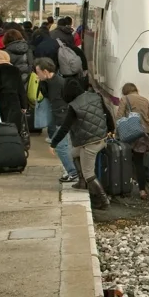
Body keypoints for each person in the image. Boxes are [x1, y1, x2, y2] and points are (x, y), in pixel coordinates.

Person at [51, 79, 114, 209]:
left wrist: (54, 143)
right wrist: (111, 129)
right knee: (73, 153)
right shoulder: (95, 96)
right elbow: (107, 114)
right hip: (101, 139)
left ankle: (103, 200)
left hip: (90, 143)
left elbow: (64, 128)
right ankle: (82, 183)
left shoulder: (74, 106)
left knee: (89, 174)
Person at [35, 57, 79, 183]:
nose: (36, 74)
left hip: (62, 118)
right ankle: (71, 170)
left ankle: (73, 172)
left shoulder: (58, 83)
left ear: (45, 71)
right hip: (59, 117)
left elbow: (61, 103)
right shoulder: (49, 82)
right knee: (66, 146)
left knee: (61, 146)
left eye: (38, 71)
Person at [116, 83, 149, 199]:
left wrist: (117, 135)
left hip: (135, 133)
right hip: (148, 133)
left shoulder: (125, 99)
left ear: (125, 91)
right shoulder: (145, 100)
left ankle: (142, 190)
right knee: (147, 159)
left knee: (138, 162)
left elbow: (119, 117)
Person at [0, 50, 29, 151]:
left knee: (1, 127)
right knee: (15, 126)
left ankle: (3, 148)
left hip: (1, 102)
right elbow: (21, 89)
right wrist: (24, 105)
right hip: (15, 101)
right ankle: (15, 148)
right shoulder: (15, 70)